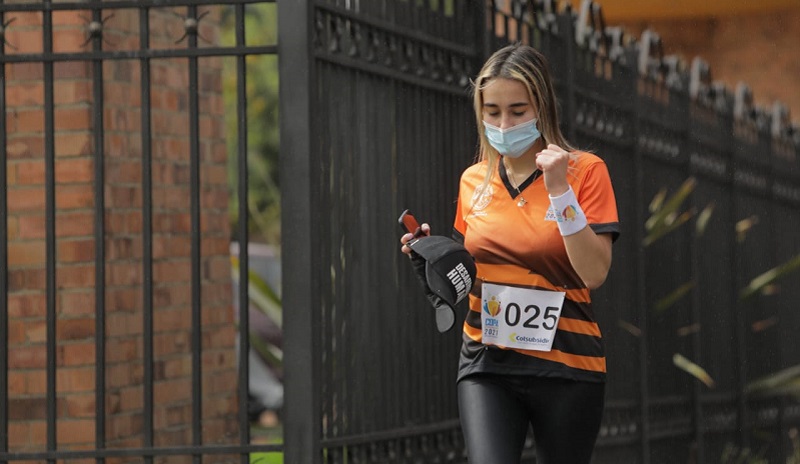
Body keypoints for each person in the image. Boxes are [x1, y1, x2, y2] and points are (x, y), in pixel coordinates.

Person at [400, 43, 619, 464]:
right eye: (492, 111)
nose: (504, 123)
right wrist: (431, 259)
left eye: (518, 111)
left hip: (567, 365)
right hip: (487, 362)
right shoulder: (473, 180)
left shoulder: (586, 171)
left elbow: (594, 272)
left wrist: (559, 191)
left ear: (543, 107)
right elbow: (471, 272)